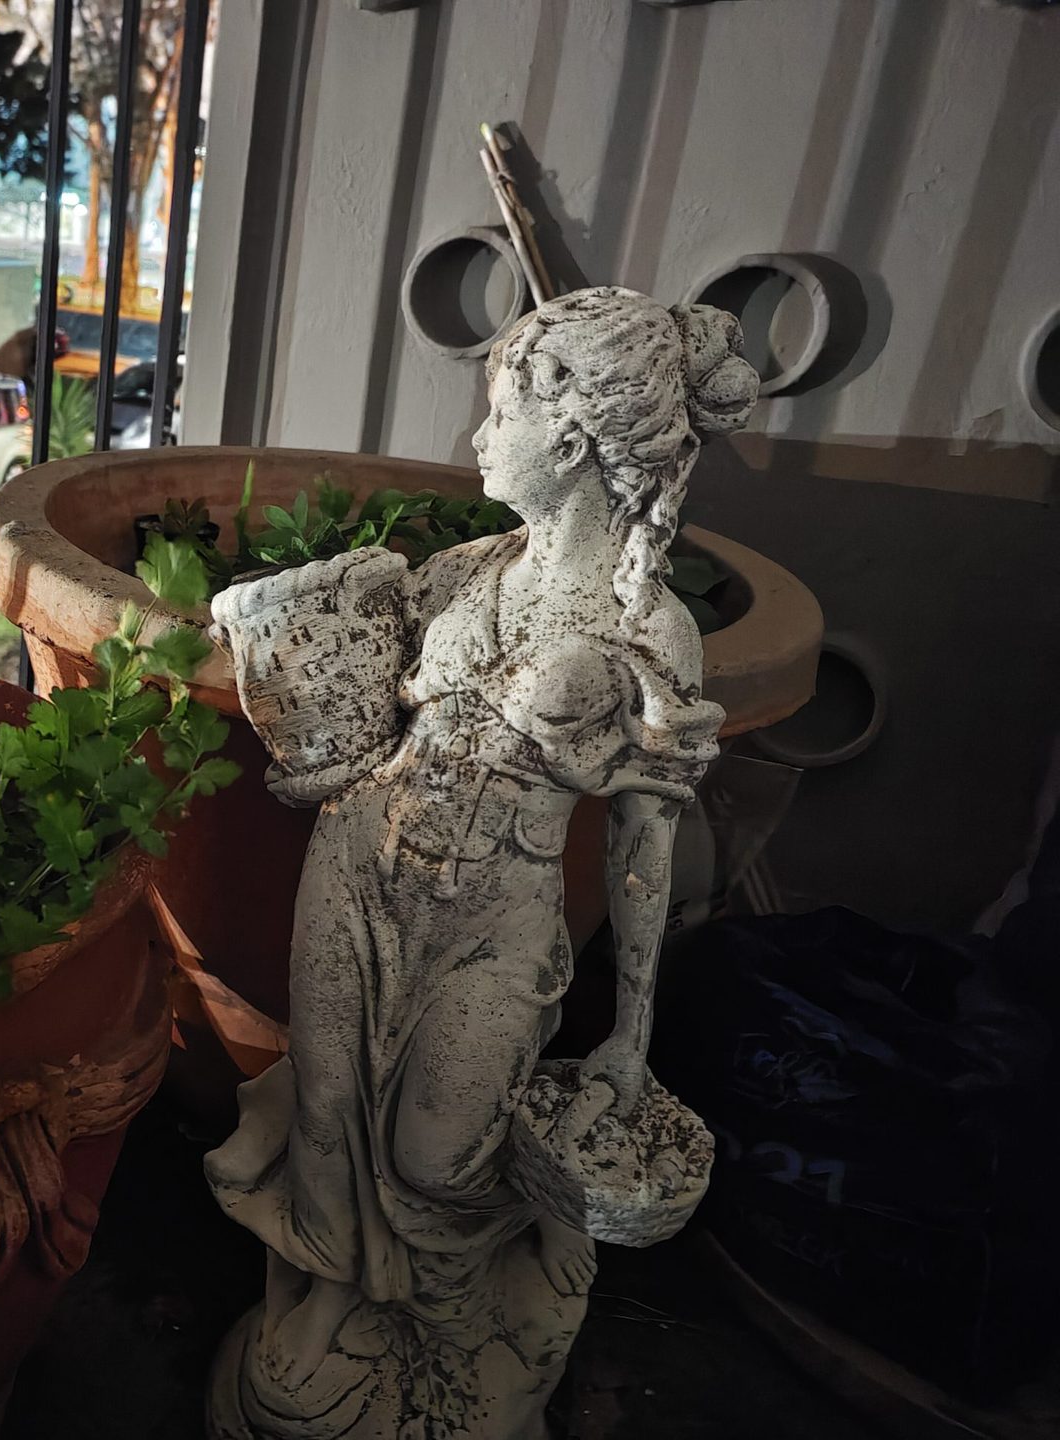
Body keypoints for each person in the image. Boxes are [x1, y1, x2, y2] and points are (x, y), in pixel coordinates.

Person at [206, 287, 759, 1439]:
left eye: (501, 411)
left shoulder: (649, 630)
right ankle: (335, 1306)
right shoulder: (464, 570)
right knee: (325, 1115)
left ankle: (461, 1318)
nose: (478, 436)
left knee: (437, 1155)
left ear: (574, 435)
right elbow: (364, 711)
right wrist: (303, 663)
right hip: (353, 872)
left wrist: (631, 1032)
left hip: (493, 928)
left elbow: (644, 847)